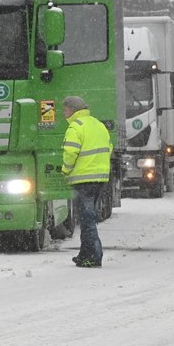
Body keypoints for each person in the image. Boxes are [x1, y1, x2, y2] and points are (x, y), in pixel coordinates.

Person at [61, 95, 112, 268]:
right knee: (85, 218)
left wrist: (65, 170)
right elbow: (108, 147)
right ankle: (84, 255)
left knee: (87, 220)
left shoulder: (76, 127)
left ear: (72, 110)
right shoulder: (98, 124)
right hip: (100, 177)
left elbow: (70, 152)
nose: (63, 113)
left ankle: (95, 256)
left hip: (83, 179)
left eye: (65, 109)